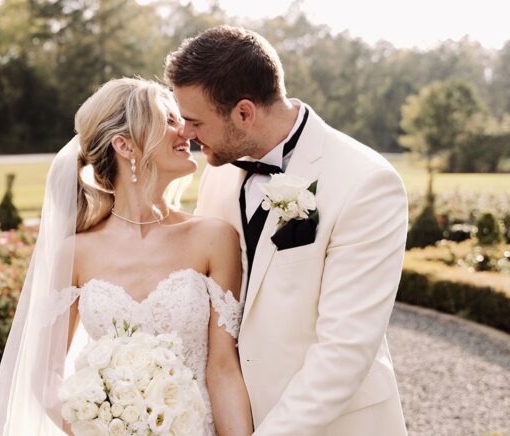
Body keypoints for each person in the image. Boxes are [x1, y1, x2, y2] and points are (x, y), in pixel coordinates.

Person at [166, 25, 410, 435]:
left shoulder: (366, 183)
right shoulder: (220, 174)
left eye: (195, 122)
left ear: (244, 113)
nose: (185, 135)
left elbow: (345, 351)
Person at [0, 77, 254, 436]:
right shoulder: (76, 253)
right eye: (169, 121)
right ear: (124, 145)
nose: (186, 131)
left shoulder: (213, 239)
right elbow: (44, 376)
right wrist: (103, 428)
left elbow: (222, 369)